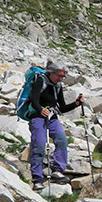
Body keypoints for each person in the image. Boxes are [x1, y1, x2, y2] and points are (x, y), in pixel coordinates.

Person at [28, 60, 83, 188]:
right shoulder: (40, 81)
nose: (61, 79)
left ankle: (57, 171)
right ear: (51, 72)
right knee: (39, 144)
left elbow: (62, 108)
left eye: (63, 76)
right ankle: (37, 179)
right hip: (37, 116)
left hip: (52, 116)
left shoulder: (57, 86)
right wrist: (40, 109)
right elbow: (33, 99)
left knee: (62, 140)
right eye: (59, 75)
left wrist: (76, 104)